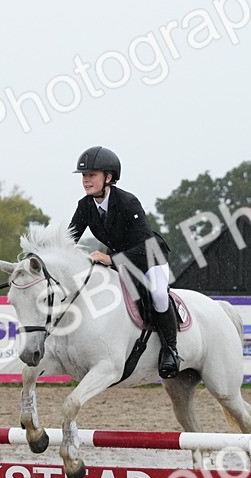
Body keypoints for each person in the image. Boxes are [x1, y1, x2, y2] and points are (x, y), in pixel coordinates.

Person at [66, 146, 180, 378]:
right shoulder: (85, 206)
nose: (86, 180)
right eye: (84, 176)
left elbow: (145, 244)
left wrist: (109, 259)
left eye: (92, 175)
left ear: (108, 177)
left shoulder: (128, 202)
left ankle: (171, 350)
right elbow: (69, 240)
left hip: (149, 258)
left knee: (158, 294)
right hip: (121, 260)